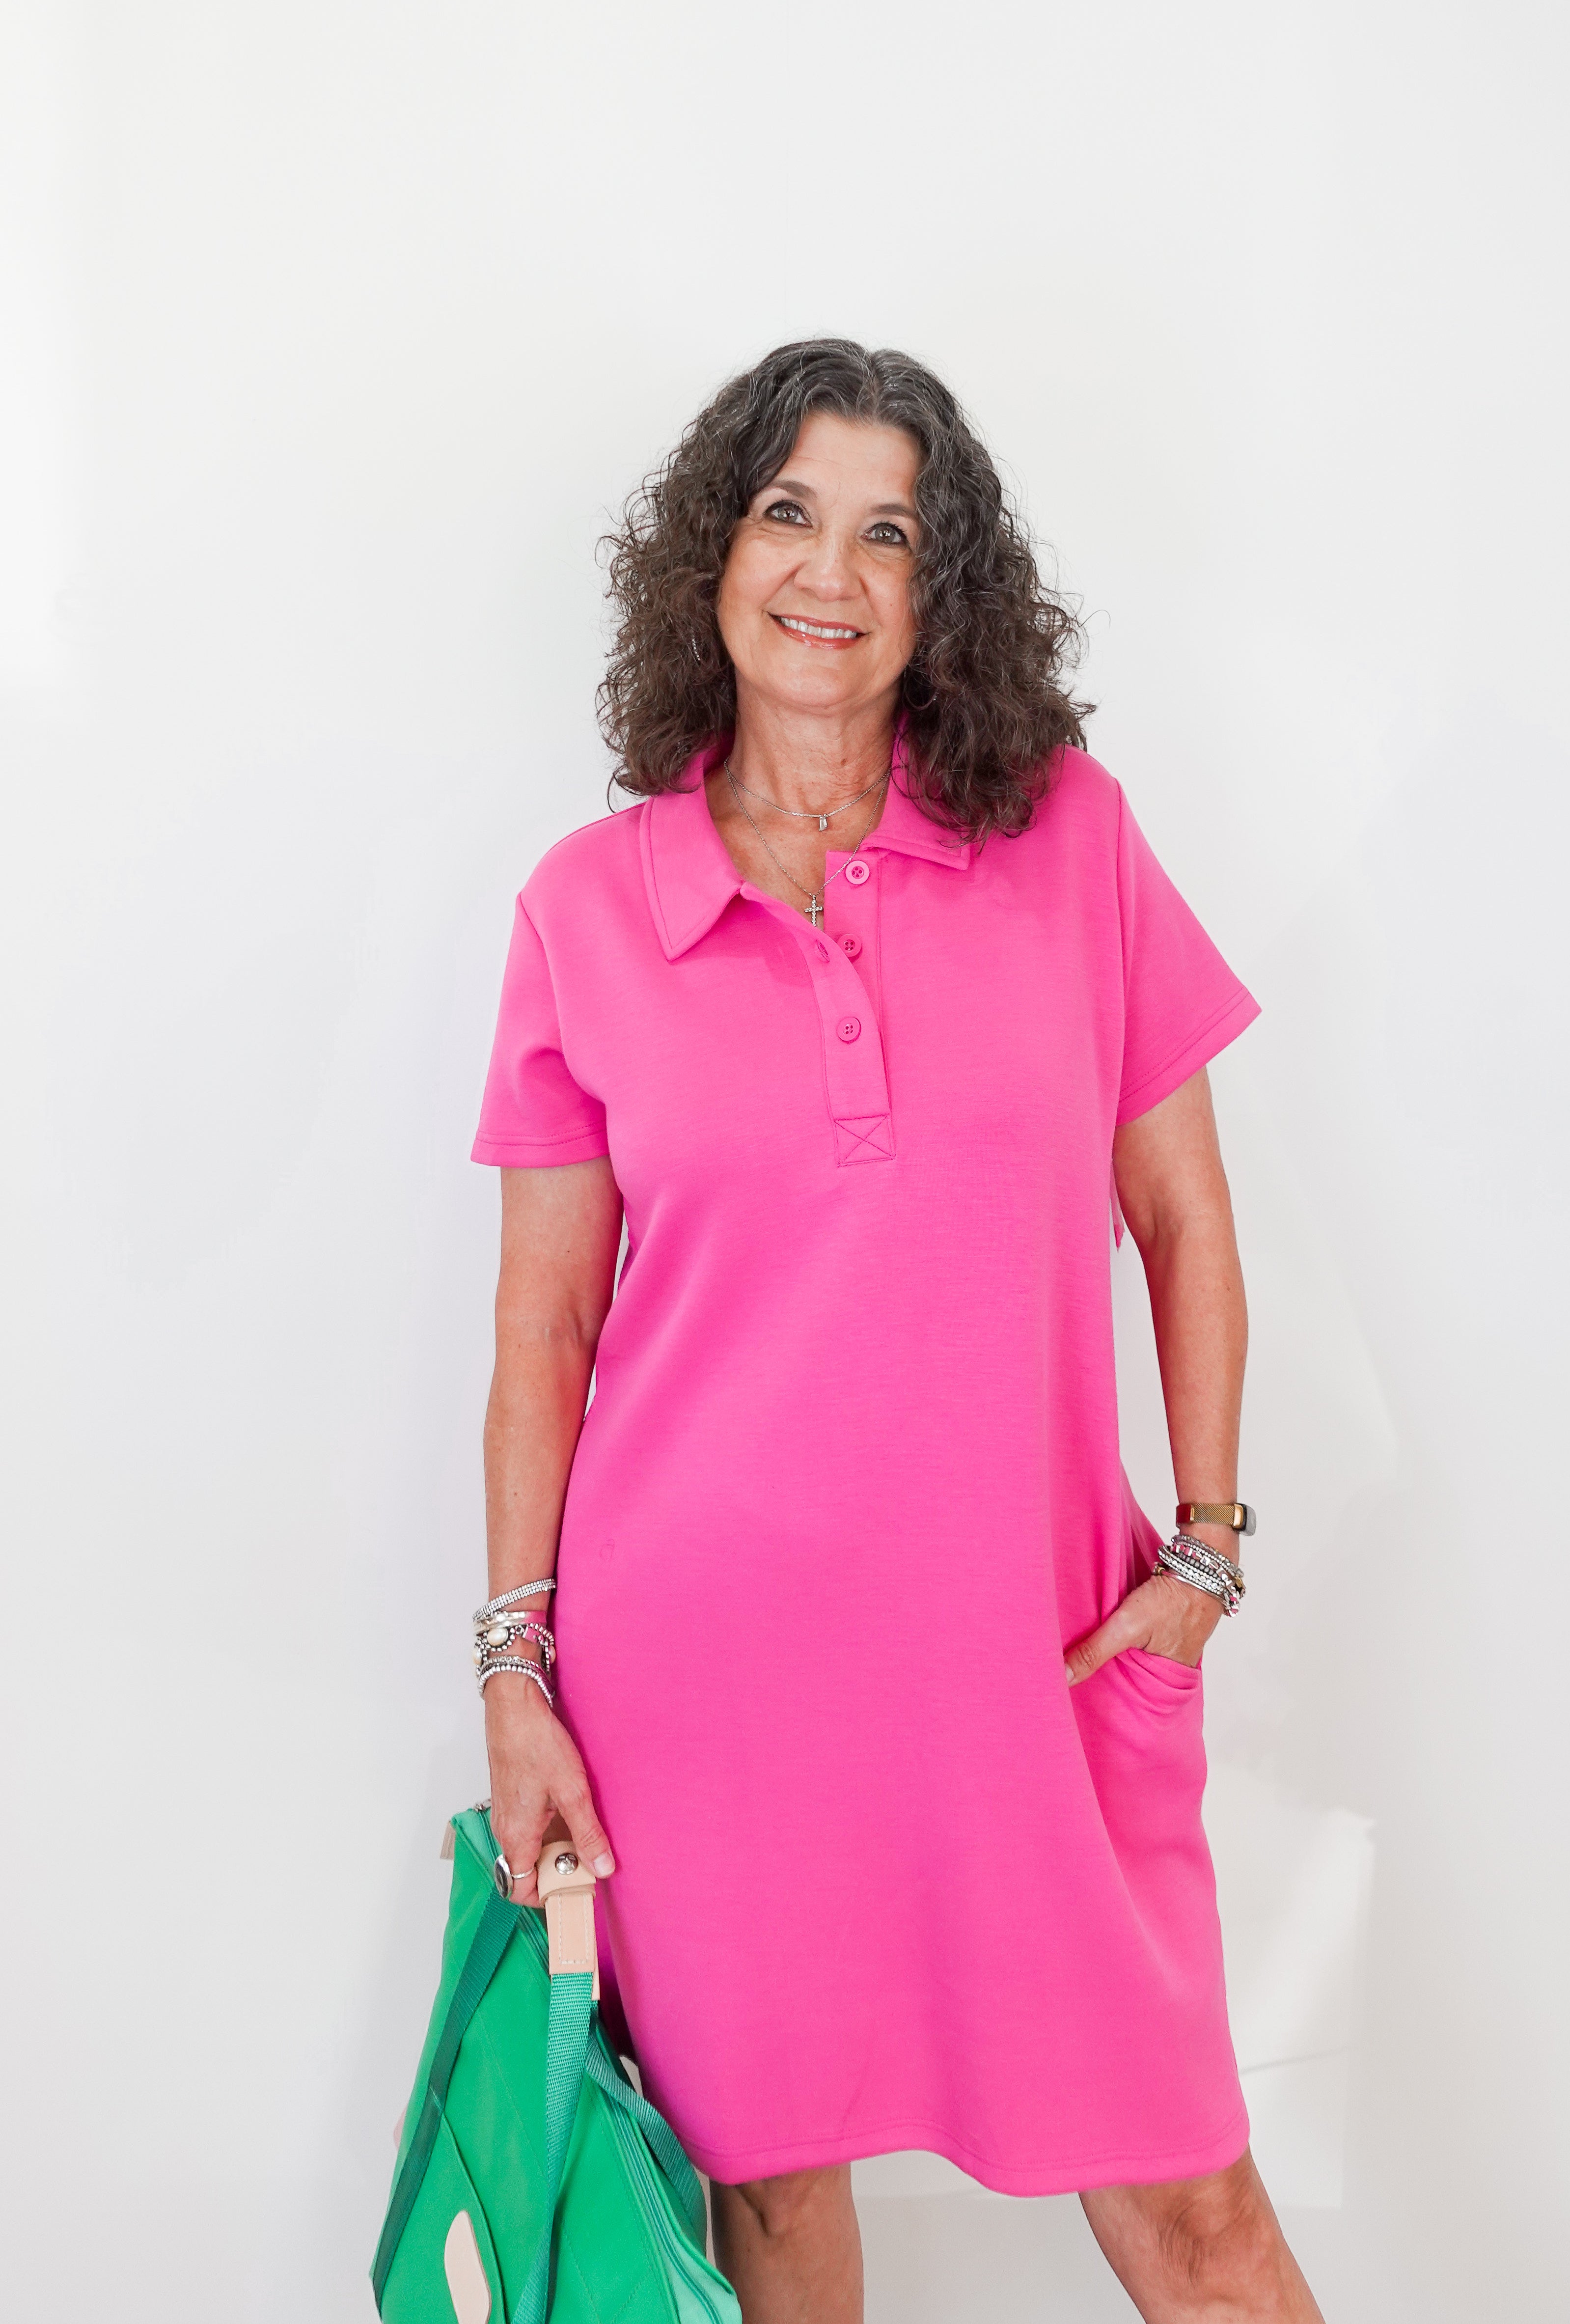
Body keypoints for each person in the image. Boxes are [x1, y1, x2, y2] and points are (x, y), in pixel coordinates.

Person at [468, 338, 1323, 2322]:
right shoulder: (587, 908)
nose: (829, 569)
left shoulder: (1072, 839)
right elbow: (544, 1327)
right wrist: (518, 1664)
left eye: (889, 529)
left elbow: (1184, 1215)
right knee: (779, 2212)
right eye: (787, 512)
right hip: (709, 1684)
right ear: (713, 554)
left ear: (947, 594)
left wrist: (1206, 1543)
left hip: (1040, 1650)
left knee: (1197, 2216)